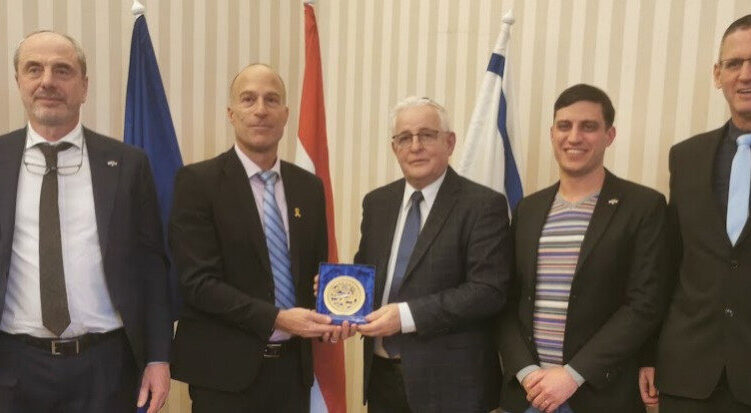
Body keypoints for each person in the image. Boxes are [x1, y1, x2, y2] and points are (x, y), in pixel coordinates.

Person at [0, 31, 172, 412]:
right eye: (34, 69)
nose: (47, 81)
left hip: (105, 367)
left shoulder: (128, 165)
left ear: (84, 86)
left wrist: (159, 358)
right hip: (13, 368)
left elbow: (153, 268)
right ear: (18, 81)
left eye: (62, 70)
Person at [169, 63, 342, 412]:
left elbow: (316, 274)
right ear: (231, 113)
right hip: (223, 375)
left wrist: (334, 311)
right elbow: (197, 284)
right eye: (248, 99)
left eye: (271, 99)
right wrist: (277, 318)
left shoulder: (309, 187)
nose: (261, 110)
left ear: (286, 114)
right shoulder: (197, 183)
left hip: (293, 373)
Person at [498, 84, 669, 413]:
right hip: (528, 394)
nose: (574, 137)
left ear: (609, 135)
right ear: (552, 134)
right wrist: (526, 372)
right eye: (564, 126)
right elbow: (507, 300)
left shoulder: (643, 206)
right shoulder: (528, 209)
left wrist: (573, 375)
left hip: (600, 395)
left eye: (588, 126)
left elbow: (645, 304)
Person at [354, 96, 510, 412]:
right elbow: (367, 273)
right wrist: (340, 294)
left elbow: (488, 291)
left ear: (449, 142)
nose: (415, 146)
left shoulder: (482, 205)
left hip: (452, 386)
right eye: (405, 138)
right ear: (394, 148)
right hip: (382, 378)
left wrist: (405, 316)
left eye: (426, 135)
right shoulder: (377, 203)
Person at [642, 14, 751, 412]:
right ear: (717, 74)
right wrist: (648, 354)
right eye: (734, 63)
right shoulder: (686, 156)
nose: (745, 75)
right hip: (688, 374)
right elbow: (669, 263)